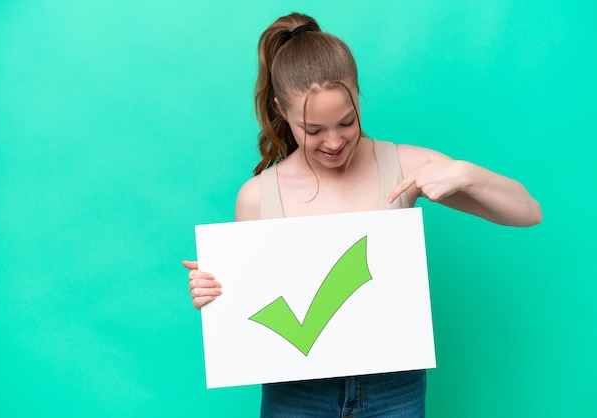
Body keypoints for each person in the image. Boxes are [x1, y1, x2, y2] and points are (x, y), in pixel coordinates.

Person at [182, 12, 541, 418]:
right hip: (295, 394)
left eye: (347, 122)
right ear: (281, 109)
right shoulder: (256, 196)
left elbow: (527, 212)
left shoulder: (404, 165)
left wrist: (465, 172)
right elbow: (252, 311)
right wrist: (213, 293)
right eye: (313, 130)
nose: (334, 142)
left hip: (394, 388)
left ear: (357, 94)